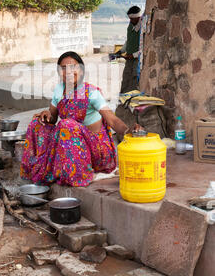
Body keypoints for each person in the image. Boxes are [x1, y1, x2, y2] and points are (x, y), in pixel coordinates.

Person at [20, 51, 141, 187]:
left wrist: (127, 131)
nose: (69, 72)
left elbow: (112, 120)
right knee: (37, 123)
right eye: (64, 68)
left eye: (73, 67)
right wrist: (46, 114)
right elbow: (53, 118)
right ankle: (44, 167)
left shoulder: (91, 93)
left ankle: (78, 174)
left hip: (96, 149)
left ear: (81, 70)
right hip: (70, 143)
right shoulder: (60, 90)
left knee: (67, 125)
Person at [116, 6, 142, 93]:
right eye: (130, 19)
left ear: (138, 17)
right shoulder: (131, 25)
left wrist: (133, 55)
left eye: (132, 19)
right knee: (126, 78)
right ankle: (123, 98)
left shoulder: (142, 28)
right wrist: (121, 51)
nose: (130, 21)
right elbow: (129, 40)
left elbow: (144, 47)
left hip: (137, 60)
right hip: (129, 59)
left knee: (134, 80)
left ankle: (132, 100)